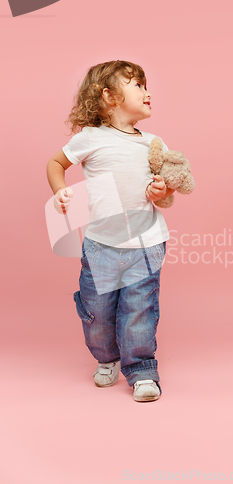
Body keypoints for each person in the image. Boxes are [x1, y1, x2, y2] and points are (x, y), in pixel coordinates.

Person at [46, 60, 175, 402]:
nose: (148, 93)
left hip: (146, 244)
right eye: (138, 86)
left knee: (139, 310)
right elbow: (55, 163)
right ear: (110, 96)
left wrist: (164, 191)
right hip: (102, 246)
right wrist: (59, 190)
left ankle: (142, 370)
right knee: (98, 314)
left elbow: (165, 193)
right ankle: (107, 358)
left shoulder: (152, 143)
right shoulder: (90, 138)